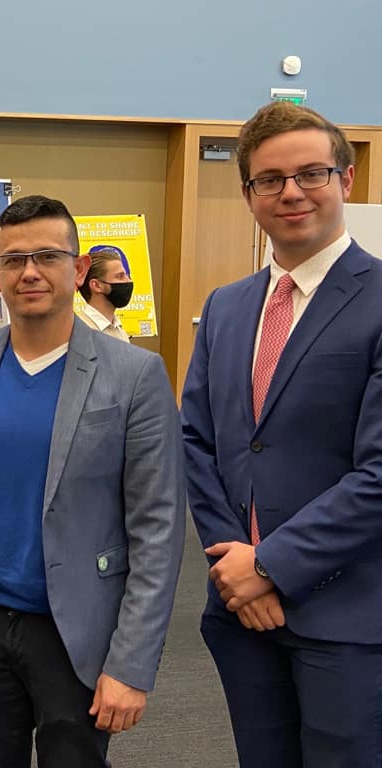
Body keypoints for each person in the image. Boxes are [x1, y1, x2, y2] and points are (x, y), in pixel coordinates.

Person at [0, 195, 185, 767]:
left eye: (48, 256)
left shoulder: (134, 376)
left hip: (76, 628)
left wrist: (130, 664)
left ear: (78, 271)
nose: (30, 271)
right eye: (13, 260)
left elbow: (158, 530)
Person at [181, 101, 382, 767]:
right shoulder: (227, 306)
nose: (291, 191)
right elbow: (198, 443)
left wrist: (271, 565)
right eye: (270, 179)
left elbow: (379, 474)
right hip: (241, 616)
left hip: (349, 616)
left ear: (346, 180)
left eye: (311, 174)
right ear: (248, 194)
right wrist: (235, 564)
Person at [77, 245, 133, 341]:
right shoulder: (80, 333)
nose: (128, 281)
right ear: (96, 285)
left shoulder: (120, 333)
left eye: (127, 276)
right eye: (120, 276)